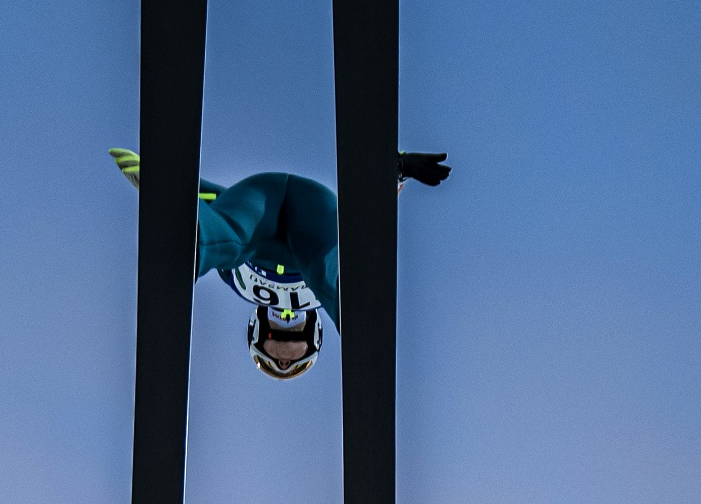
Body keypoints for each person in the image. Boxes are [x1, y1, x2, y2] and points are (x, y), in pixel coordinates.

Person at [110, 149, 448, 379]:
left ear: (259, 328)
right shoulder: (322, 288)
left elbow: (214, 201)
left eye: (275, 336)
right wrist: (392, 171)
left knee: (231, 242)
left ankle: (193, 241)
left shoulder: (242, 288)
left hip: (261, 216)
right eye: (293, 337)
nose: (285, 324)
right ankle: (362, 334)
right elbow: (360, 222)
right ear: (313, 331)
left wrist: (163, 181)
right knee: (327, 273)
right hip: (307, 220)